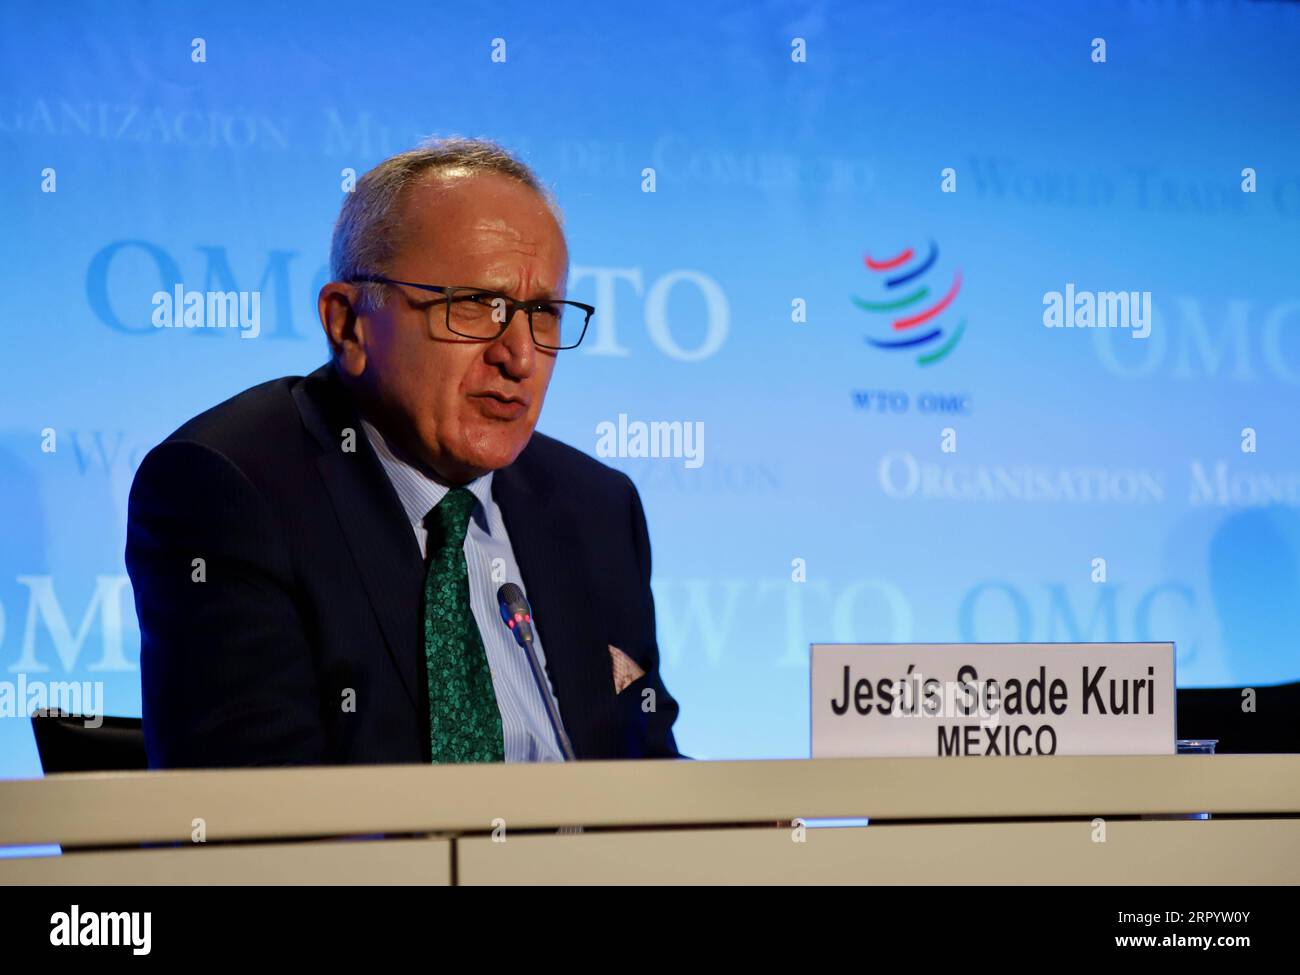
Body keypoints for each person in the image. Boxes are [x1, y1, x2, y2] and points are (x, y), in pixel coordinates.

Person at [126, 137, 682, 767]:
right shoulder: (231, 488)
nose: (519, 356)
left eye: (543, 313)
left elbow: (649, 770)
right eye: (477, 305)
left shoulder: (596, 507)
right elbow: (258, 820)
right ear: (348, 324)